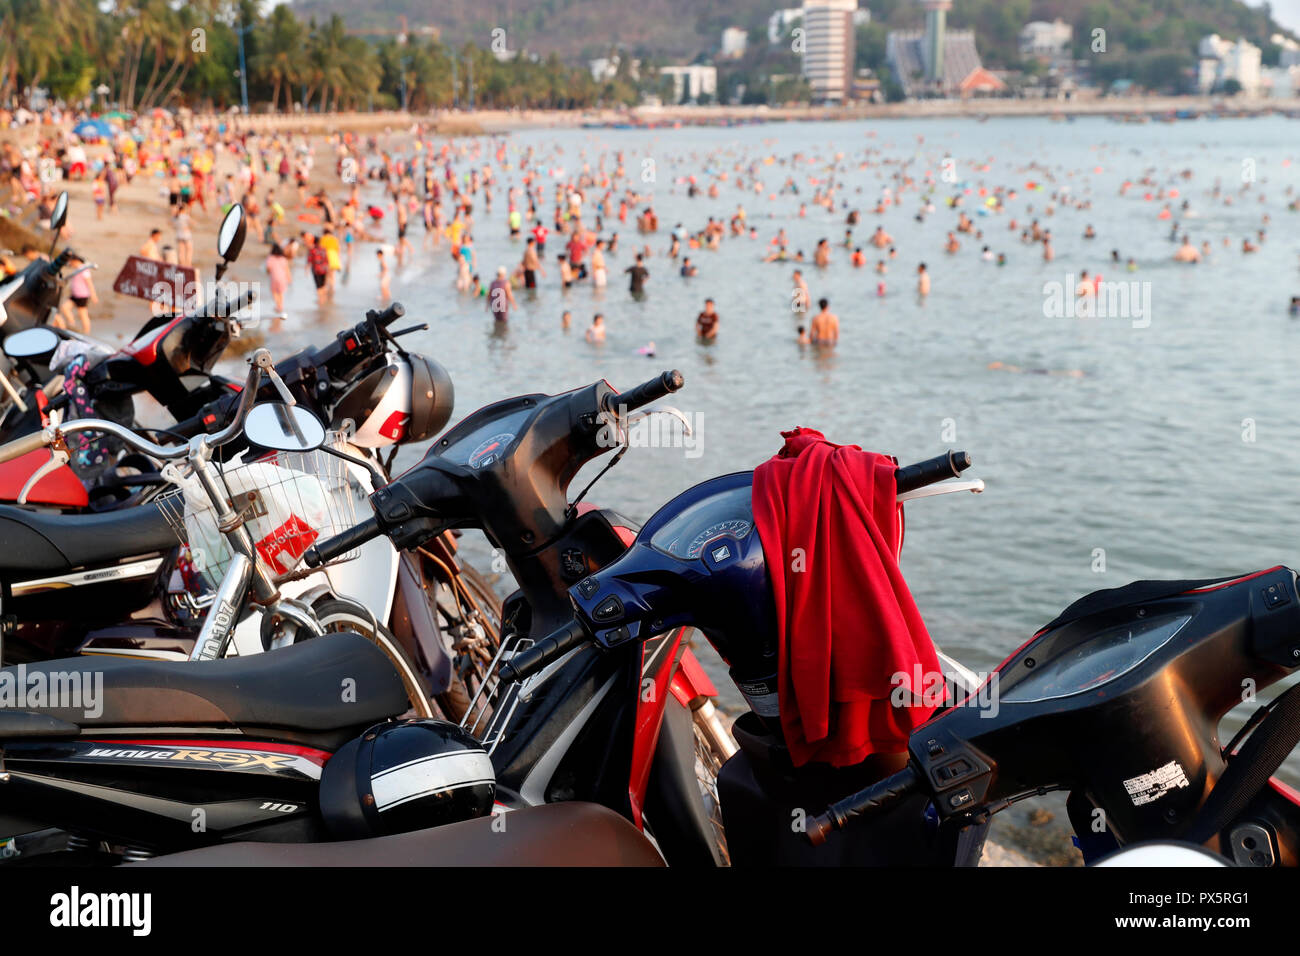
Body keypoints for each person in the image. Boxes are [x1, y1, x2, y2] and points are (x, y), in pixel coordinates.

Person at [60, 256, 96, 333]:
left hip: (82, 295)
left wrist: (93, 295)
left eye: (71, 262)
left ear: (75, 261)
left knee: (83, 314)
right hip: (75, 295)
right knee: (65, 307)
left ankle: (86, 331)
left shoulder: (84, 269)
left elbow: (89, 283)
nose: (70, 264)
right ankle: (72, 324)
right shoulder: (78, 269)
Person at [266, 243, 291, 313]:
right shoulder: (283, 258)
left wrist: (268, 273)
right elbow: (287, 269)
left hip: (274, 277)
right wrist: (289, 278)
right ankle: (281, 306)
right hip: (282, 278)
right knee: (281, 292)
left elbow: (268, 268)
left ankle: (277, 305)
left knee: (274, 291)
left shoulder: (270, 258)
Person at [306, 235, 330, 305]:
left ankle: (320, 300)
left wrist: (307, 269)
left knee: (318, 286)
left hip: (316, 270)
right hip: (324, 269)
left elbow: (309, 260)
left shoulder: (312, 250)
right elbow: (327, 260)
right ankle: (324, 298)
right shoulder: (323, 249)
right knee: (323, 285)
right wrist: (327, 268)